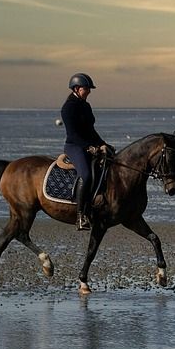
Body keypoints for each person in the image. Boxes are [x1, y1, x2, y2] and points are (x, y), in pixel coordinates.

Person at [60, 72, 111, 230]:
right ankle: (81, 216)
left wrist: (102, 144)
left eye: (89, 89)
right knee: (86, 174)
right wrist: (88, 147)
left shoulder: (86, 106)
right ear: (76, 88)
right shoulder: (68, 108)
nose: (88, 91)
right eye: (86, 88)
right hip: (74, 146)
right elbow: (73, 134)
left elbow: (91, 130)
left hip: (89, 145)